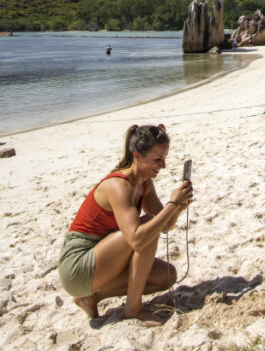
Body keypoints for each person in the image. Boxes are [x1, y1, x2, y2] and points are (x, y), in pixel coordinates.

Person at [58, 123, 193, 326]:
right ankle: (133, 308)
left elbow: (162, 226)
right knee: (145, 226)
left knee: (167, 277)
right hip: (78, 266)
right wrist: (172, 203)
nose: (163, 165)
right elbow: (138, 239)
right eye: (157, 159)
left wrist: (178, 208)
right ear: (137, 156)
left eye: (164, 159)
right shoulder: (119, 186)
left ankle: (91, 297)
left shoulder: (145, 182)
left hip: (103, 257)